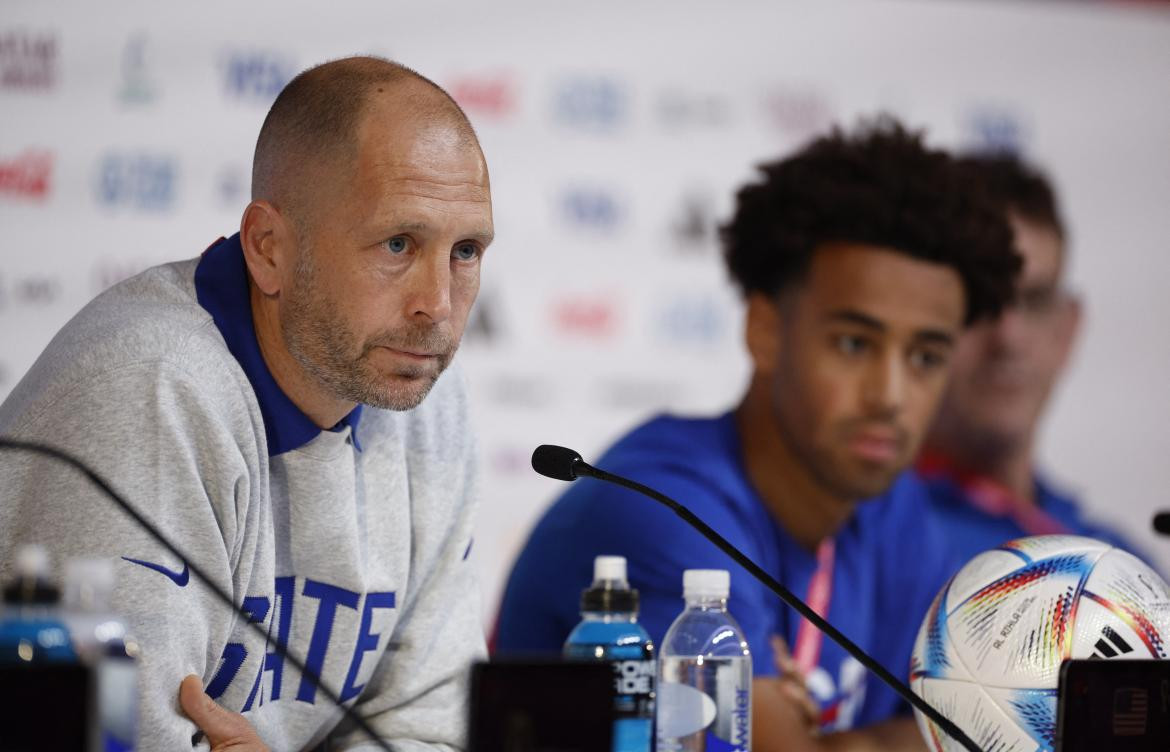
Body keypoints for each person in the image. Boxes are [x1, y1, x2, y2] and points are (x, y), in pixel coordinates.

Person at [0, 56, 494, 750]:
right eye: (397, 243)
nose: (437, 306)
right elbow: (116, 740)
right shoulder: (154, 387)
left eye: (466, 250)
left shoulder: (424, 400)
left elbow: (436, 732)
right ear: (269, 249)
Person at [494, 119, 1020, 751]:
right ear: (765, 330)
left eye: (926, 357)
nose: (890, 396)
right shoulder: (661, 509)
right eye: (854, 344)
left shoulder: (893, 510)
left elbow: (972, 732)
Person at [918, 152, 1151, 568]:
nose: (1008, 336)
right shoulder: (858, 542)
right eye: (981, 299)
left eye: (1035, 300)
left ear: (1068, 329)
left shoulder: (1122, 562)